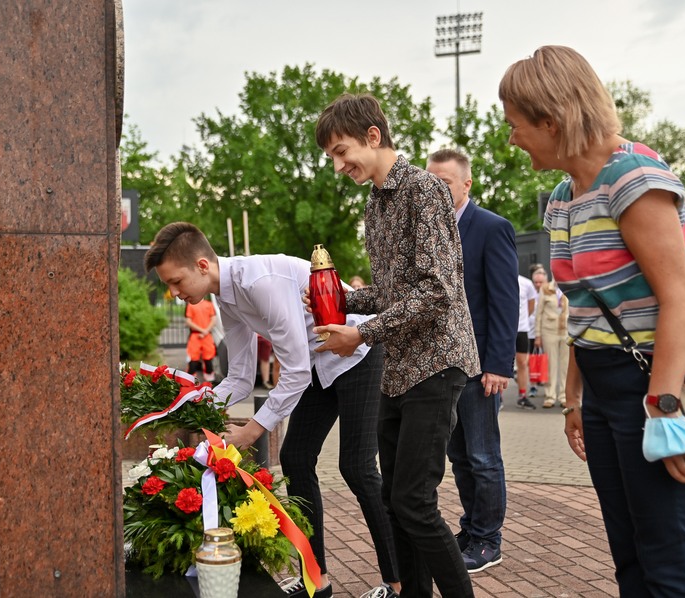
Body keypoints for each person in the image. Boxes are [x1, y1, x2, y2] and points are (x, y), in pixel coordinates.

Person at [500, 45, 685, 597]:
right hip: (601, 385)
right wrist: (574, 399)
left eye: (516, 125)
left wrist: (664, 411)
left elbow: (678, 299)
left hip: (652, 383)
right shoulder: (562, 197)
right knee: (628, 552)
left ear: (551, 120)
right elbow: (587, 309)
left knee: (666, 555)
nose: (513, 138)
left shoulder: (633, 176)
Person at [144, 222, 399, 598]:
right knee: (295, 458)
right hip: (317, 362)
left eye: (176, 282)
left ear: (202, 265)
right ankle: (316, 580)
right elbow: (241, 378)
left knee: (357, 467)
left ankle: (397, 582)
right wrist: (191, 406)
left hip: (357, 352)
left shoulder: (259, 281)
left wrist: (251, 431)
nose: (175, 293)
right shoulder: (226, 298)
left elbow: (294, 372)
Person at [315, 92, 479, 598]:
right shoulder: (375, 202)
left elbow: (436, 292)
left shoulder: (424, 190)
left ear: (373, 136)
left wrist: (361, 333)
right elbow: (391, 293)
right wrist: (339, 299)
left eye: (342, 152)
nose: (338, 166)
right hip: (398, 369)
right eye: (332, 158)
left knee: (413, 502)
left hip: (436, 362)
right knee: (393, 499)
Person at [427, 148, 518, 574]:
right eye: (431, 182)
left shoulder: (492, 228)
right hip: (441, 365)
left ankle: (488, 540)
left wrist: (498, 364)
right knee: (459, 456)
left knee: (483, 455)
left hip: (480, 366)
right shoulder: (429, 230)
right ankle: (472, 527)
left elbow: (504, 300)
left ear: (466, 184)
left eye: (443, 182)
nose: (436, 190)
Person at [532, 269, 569, 408]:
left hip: (567, 331)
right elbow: (539, 313)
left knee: (566, 366)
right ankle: (550, 396)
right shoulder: (545, 288)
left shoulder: (570, 287)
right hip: (549, 331)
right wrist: (538, 335)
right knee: (550, 365)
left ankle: (564, 396)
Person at [515, 274, 537, 408]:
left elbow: (531, 305)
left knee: (523, 363)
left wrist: (521, 319)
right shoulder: (501, 277)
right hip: (505, 328)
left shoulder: (527, 283)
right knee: (501, 361)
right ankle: (498, 398)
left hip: (522, 329)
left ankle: (522, 396)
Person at [184, 296, 217, 381]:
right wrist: (205, 331)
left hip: (200, 335)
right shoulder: (192, 305)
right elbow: (188, 321)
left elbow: (188, 321)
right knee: (195, 356)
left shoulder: (207, 305)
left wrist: (203, 331)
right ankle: (194, 377)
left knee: (206, 356)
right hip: (202, 335)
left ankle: (192, 378)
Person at [527, 264, 546, 398]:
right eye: (536, 282)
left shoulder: (550, 292)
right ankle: (533, 386)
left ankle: (543, 381)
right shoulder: (530, 292)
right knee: (532, 359)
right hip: (530, 331)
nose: (538, 285)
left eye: (540, 282)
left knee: (544, 358)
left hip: (546, 332)